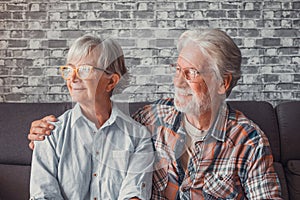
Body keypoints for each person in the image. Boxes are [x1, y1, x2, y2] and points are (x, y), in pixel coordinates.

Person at [28, 29, 282, 199]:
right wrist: (44, 133)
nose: (177, 81)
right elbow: (104, 123)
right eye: (177, 68)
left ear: (222, 83)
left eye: (191, 72)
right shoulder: (152, 119)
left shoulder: (249, 142)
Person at [29, 34, 154, 200]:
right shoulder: (49, 133)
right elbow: (42, 196)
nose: (72, 78)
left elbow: (133, 195)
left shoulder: (138, 137)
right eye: (69, 69)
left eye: (84, 70)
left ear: (111, 82)